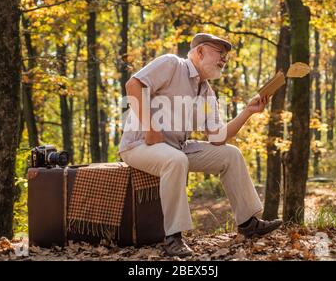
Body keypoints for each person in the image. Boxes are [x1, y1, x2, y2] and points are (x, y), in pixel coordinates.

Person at [119, 33, 282, 257]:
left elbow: (217, 137)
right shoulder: (171, 64)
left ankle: (248, 224)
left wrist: (248, 111)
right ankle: (173, 238)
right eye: (219, 52)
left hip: (176, 147)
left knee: (230, 155)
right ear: (200, 52)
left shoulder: (207, 93)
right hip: (138, 145)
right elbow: (133, 85)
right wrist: (150, 128)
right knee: (176, 160)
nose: (224, 59)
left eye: (226, 55)